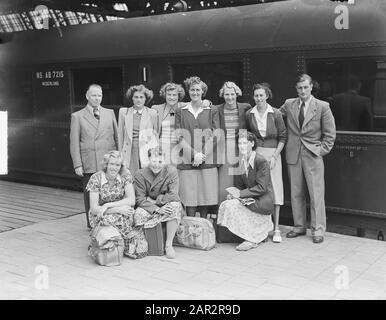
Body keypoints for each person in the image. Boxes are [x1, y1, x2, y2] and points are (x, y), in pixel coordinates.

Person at [279, 74, 336, 244]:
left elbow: (330, 134)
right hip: (293, 153)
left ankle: (318, 229)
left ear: (311, 86)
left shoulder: (322, 106)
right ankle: (299, 226)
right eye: (299, 88)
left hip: (313, 155)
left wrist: (321, 151)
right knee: (296, 192)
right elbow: (272, 113)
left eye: (305, 87)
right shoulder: (289, 104)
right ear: (296, 89)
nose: (303, 91)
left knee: (316, 193)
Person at [70, 84, 118, 229]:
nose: (97, 98)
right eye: (94, 95)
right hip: (89, 160)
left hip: (108, 161)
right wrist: (78, 164)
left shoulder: (109, 113)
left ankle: (108, 220)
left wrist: (118, 158)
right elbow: (74, 142)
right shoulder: (77, 116)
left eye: (99, 95)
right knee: (90, 193)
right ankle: (91, 223)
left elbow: (117, 137)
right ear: (87, 96)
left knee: (109, 191)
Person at [86, 151, 149, 259]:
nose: (114, 168)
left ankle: (115, 244)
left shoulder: (125, 175)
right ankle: (107, 243)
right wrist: (116, 209)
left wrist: (108, 205)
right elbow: (94, 209)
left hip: (118, 209)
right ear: (106, 164)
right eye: (111, 164)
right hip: (101, 214)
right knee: (107, 221)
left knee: (133, 215)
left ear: (121, 166)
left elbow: (131, 200)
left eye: (117, 165)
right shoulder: (95, 178)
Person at [217, 131, 274, 251]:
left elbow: (262, 187)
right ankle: (241, 235)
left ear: (252, 144)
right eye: (239, 143)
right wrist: (233, 194)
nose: (242, 146)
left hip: (262, 200)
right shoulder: (240, 162)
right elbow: (239, 186)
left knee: (233, 206)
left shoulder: (260, 161)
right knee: (226, 204)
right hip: (249, 198)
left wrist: (240, 194)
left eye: (245, 143)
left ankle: (252, 239)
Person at [175, 76, 221, 219]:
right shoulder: (180, 110)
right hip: (187, 159)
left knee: (205, 195)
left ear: (203, 92)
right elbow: (179, 136)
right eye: (192, 90)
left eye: (198, 90)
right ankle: (191, 227)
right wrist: (194, 154)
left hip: (207, 159)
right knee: (189, 196)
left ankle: (203, 228)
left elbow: (215, 134)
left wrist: (202, 155)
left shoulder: (211, 109)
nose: (195, 92)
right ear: (189, 91)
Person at [246, 83, 287, 243]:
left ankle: (276, 228)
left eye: (261, 95)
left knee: (275, 190)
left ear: (267, 96)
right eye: (256, 96)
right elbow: (246, 135)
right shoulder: (249, 113)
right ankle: (262, 228)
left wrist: (275, 156)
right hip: (257, 155)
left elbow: (283, 137)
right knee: (259, 190)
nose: (258, 99)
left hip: (273, 155)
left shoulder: (275, 113)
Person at [134, 147, 183, 259]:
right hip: (149, 206)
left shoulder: (171, 171)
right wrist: (156, 208)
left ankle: (168, 245)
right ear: (148, 160)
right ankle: (145, 243)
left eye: (160, 161)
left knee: (174, 206)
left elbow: (174, 195)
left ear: (164, 161)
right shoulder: (140, 174)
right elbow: (140, 199)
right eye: (153, 161)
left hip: (165, 203)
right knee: (138, 214)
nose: (156, 165)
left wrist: (156, 200)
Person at [213, 81, 251, 203]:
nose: (230, 97)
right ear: (222, 95)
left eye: (232, 94)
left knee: (241, 179)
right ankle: (223, 211)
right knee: (225, 181)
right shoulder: (217, 109)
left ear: (237, 93)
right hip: (224, 147)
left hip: (241, 147)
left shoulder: (245, 107)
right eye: (226, 94)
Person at [118, 84, 158, 177]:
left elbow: (155, 135)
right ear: (132, 98)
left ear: (145, 99)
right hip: (129, 152)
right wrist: (120, 155)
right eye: (136, 97)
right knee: (129, 179)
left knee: (145, 179)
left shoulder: (152, 113)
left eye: (141, 97)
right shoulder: (124, 112)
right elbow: (120, 135)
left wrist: (154, 155)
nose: (138, 100)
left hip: (145, 151)